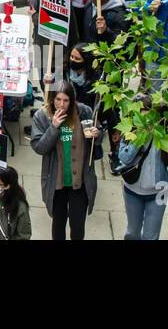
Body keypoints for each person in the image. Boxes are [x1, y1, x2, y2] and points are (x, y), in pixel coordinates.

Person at [30, 79, 100, 240]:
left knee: (77, 225)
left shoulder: (84, 112)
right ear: (52, 99)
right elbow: (39, 147)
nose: (61, 104)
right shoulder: (42, 116)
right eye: (58, 100)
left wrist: (97, 135)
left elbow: (95, 141)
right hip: (57, 182)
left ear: (72, 100)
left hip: (79, 182)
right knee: (58, 223)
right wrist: (53, 128)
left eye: (66, 100)